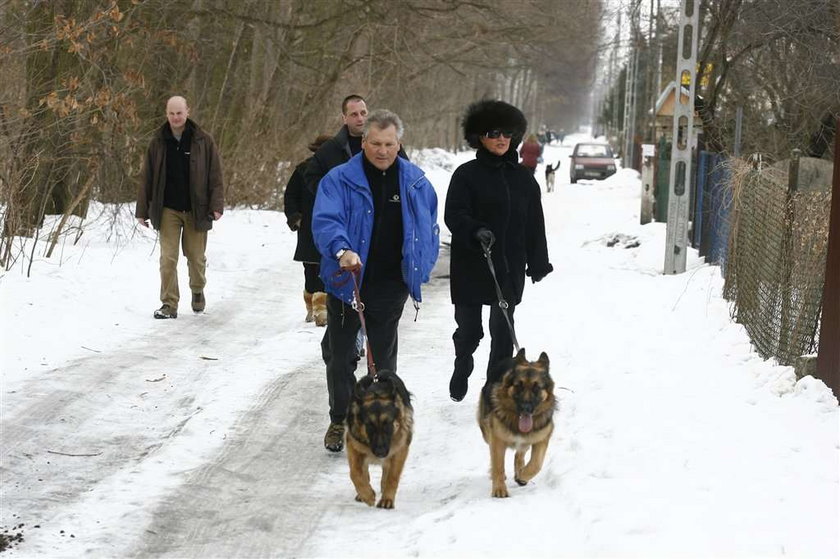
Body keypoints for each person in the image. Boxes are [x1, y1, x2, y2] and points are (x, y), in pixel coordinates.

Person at [311, 109, 440, 452]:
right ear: (363, 142)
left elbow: (429, 229)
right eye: (376, 143)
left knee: (382, 362)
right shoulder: (339, 179)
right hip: (347, 280)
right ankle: (340, 419)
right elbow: (326, 221)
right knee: (339, 357)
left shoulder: (415, 182)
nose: (382, 150)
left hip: (390, 284)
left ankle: (380, 424)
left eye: (389, 143)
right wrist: (342, 252)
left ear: (399, 144)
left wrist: (420, 267)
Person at [444, 100, 553, 402]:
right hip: (471, 265)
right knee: (469, 331)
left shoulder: (524, 180)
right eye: (493, 133)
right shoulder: (465, 175)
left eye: (507, 132)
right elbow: (453, 214)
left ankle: (493, 389)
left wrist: (539, 261)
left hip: (509, 266)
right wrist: (474, 229)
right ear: (479, 136)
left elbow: (534, 224)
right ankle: (462, 361)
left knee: (502, 331)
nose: (501, 138)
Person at [136, 96, 224, 319]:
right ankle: (169, 303)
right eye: (171, 113)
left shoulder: (203, 140)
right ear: (166, 114)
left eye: (179, 113)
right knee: (168, 258)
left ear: (188, 112)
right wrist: (142, 210)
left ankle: (197, 289)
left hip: (197, 209)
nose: (176, 117)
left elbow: (215, 176)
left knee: (195, 257)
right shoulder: (158, 141)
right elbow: (147, 177)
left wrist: (216, 205)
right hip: (167, 209)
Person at [284, 134, 332, 326]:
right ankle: (311, 307)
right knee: (309, 269)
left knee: (325, 267)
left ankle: (321, 310)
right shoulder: (303, 169)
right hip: (307, 228)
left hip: (329, 228)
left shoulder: (337, 172)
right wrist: (295, 217)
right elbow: (291, 196)